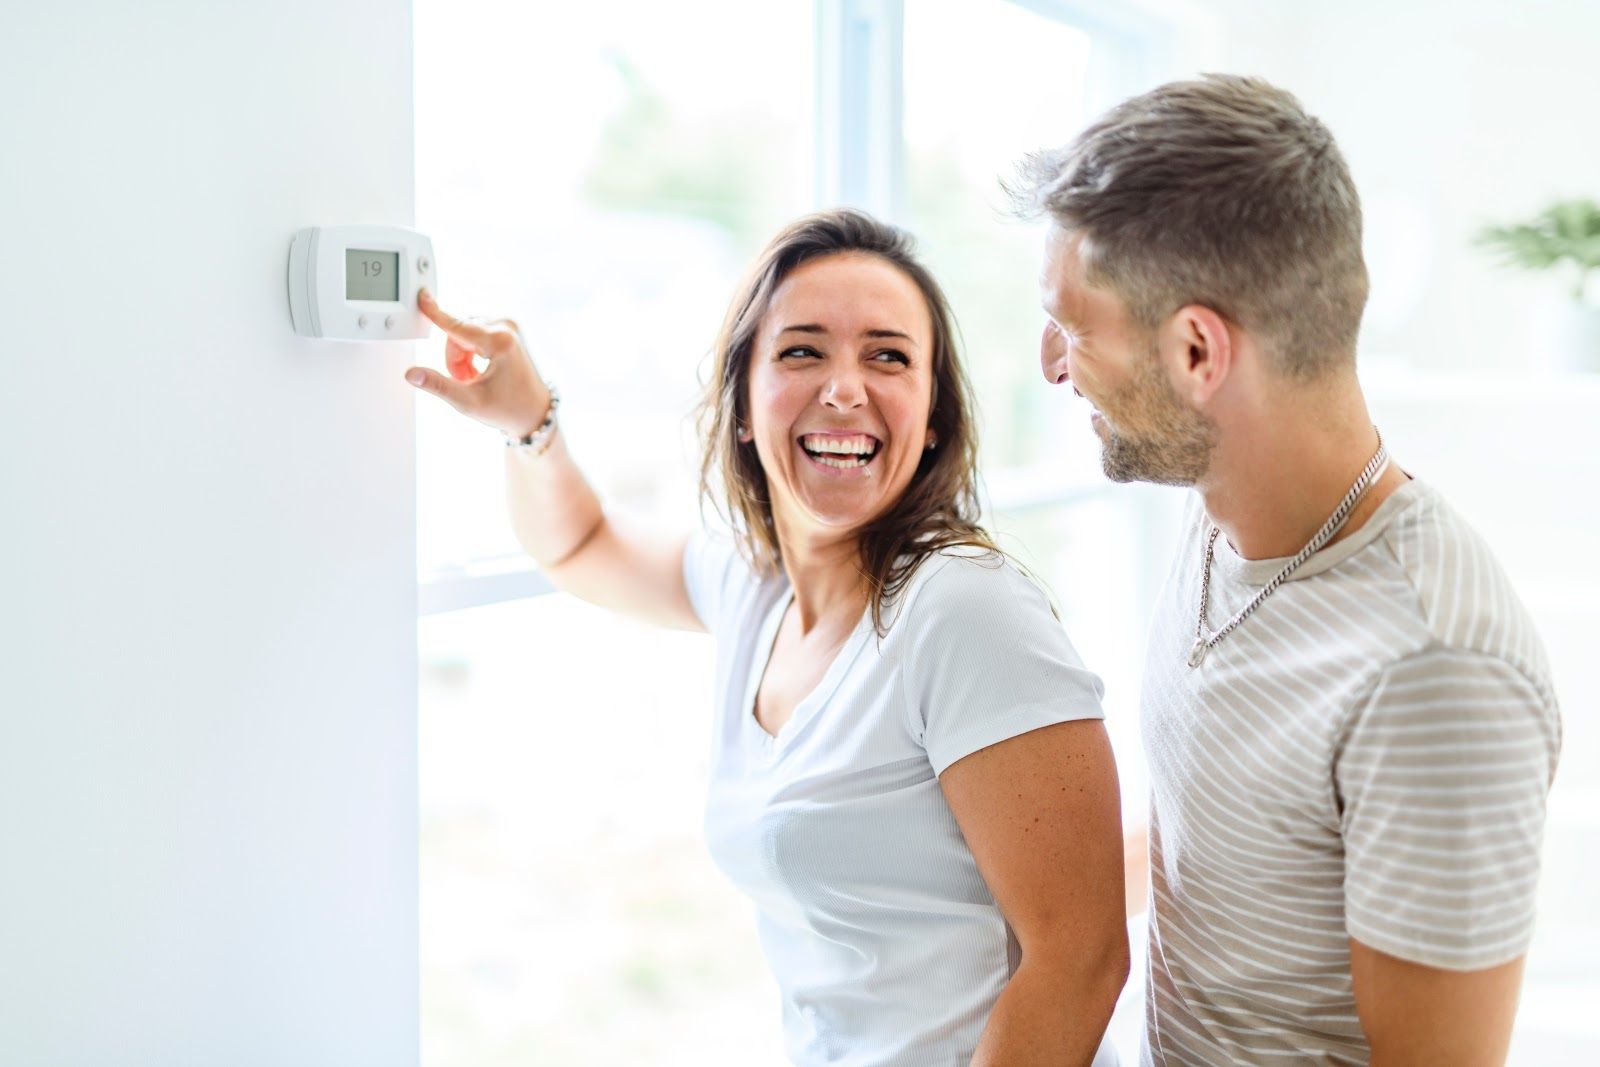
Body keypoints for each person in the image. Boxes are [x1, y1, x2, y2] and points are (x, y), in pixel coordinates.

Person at [404, 209, 1129, 1065]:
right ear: (743, 404)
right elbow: (581, 544)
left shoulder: (963, 610)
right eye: (803, 351)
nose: (846, 388)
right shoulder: (754, 589)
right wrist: (529, 422)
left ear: (933, 414)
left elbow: (1080, 961)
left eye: (889, 355)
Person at [1014, 74, 1563, 1065]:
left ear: (1196, 352)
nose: (1051, 363)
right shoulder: (1222, 512)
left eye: (1073, 326)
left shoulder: (1432, 669)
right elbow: (1231, 856)